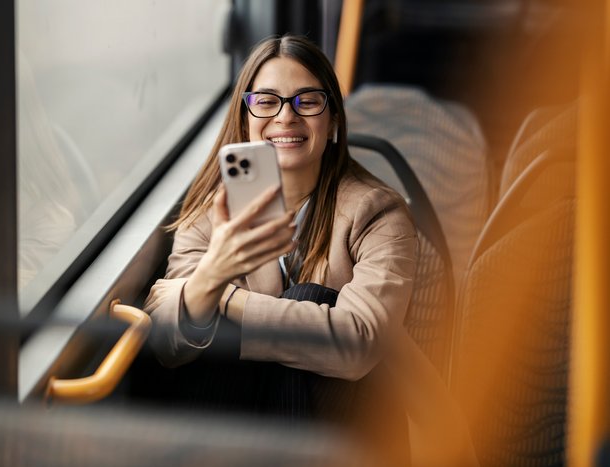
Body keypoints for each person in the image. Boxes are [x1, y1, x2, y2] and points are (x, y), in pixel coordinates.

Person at [143, 34, 419, 463]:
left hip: (345, 436)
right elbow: (166, 343)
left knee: (307, 297)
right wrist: (213, 271)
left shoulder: (378, 213)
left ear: (333, 124)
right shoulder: (210, 211)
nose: (285, 117)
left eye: (306, 101)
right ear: (246, 117)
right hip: (235, 425)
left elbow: (357, 346)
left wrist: (221, 292)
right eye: (267, 101)